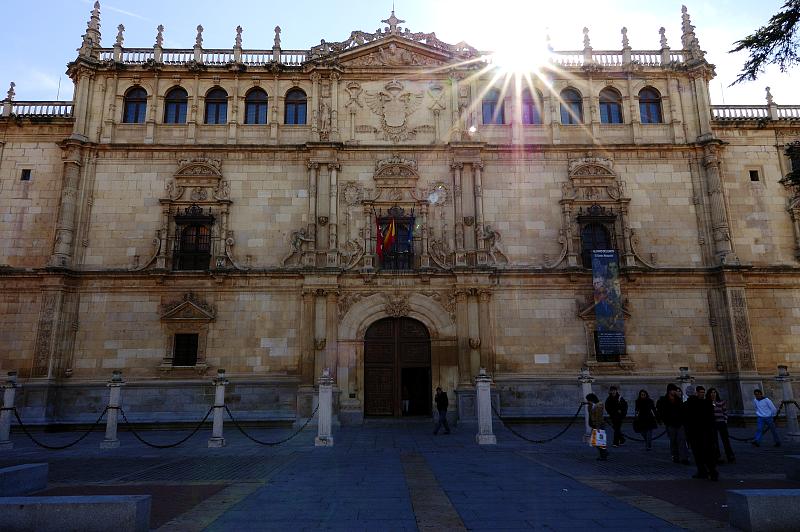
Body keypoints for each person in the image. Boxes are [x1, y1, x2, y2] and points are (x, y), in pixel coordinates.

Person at [682, 385, 718, 481]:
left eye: (703, 392)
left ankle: (705, 471)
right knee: (707, 454)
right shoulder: (707, 403)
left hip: (698, 433)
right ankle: (710, 471)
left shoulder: (689, 404)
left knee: (700, 454)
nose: (702, 394)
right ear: (696, 393)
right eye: (700, 392)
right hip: (704, 433)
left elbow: (687, 420)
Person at [657, 383, 690, 464]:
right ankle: (675, 456)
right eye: (673, 390)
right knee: (673, 441)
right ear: (669, 391)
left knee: (682, 440)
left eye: (675, 390)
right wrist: (665, 421)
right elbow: (661, 411)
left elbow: (682, 410)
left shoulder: (678, 399)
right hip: (670, 424)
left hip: (679, 423)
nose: (675, 391)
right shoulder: (664, 400)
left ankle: (684, 458)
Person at [707, 387, 735, 463]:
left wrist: (725, 419)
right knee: (714, 440)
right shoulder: (707, 403)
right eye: (711, 392)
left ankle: (730, 455)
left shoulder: (721, 402)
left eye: (714, 392)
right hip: (713, 424)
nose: (713, 394)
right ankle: (717, 456)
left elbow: (724, 411)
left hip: (721, 422)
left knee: (725, 440)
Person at [586, 393, 608, 461]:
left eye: (588, 400)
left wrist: (598, 427)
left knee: (600, 442)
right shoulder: (591, 406)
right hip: (595, 425)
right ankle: (603, 454)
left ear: (592, 399)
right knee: (595, 441)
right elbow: (590, 414)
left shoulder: (599, 405)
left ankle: (603, 455)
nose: (587, 401)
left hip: (599, 425)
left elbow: (599, 417)